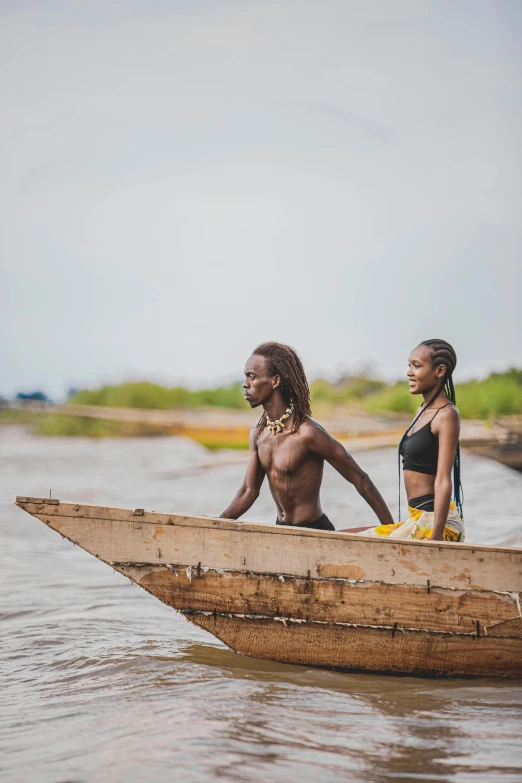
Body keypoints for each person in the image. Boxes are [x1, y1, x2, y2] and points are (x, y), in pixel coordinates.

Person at [219, 342, 394, 530]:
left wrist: (393, 530)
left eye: (252, 377)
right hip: (281, 530)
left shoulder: (308, 433)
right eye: (245, 377)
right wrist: (216, 523)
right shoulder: (258, 433)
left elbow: (360, 479)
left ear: (275, 381)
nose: (245, 384)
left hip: (315, 531)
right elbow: (249, 491)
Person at [349, 339, 465, 542]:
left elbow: (444, 478)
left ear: (439, 370)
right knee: (346, 536)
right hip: (418, 519)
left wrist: (436, 539)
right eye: (409, 365)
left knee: (355, 542)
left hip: (435, 522)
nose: (409, 372)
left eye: (417, 366)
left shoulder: (446, 415)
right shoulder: (421, 411)